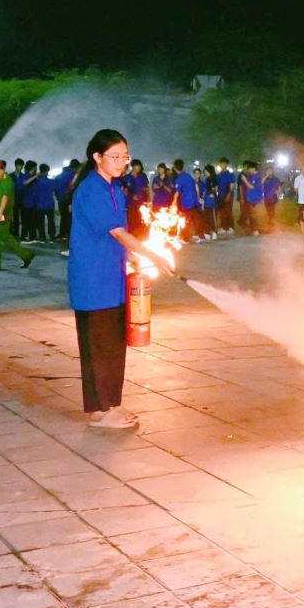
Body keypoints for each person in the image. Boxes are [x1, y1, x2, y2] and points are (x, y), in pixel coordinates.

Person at [65, 130, 175, 429]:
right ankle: (101, 410)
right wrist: (154, 256)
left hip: (111, 277)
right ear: (97, 157)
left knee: (112, 344)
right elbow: (118, 232)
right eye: (114, 156)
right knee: (99, 346)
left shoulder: (112, 187)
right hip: (93, 279)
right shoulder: (92, 189)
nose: (121, 162)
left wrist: (132, 259)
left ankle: (109, 404)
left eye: (124, 156)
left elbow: (115, 236)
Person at [0, 160, 35, 270]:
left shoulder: (7, 181)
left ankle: (26, 255)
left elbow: (5, 197)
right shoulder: (1, 180)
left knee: (4, 236)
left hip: (2, 211)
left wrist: (0, 212)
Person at [122, 159, 150, 236]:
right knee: (132, 221)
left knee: (143, 220)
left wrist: (148, 200)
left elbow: (147, 188)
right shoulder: (127, 177)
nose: (139, 168)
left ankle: (142, 237)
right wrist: (132, 196)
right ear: (133, 167)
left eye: (140, 167)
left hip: (142, 203)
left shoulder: (143, 176)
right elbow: (125, 191)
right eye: (137, 167)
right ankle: (132, 237)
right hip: (131, 204)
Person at [215, 158, 237, 234]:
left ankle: (231, 228)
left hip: (228, 196)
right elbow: (216, 186)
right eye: (221, 164)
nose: (222, 165)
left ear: (227, 164)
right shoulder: (218, 176)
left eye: (224, 163)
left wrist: (228, 195)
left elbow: (232, 186)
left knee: (228, 212)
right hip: (220, 196)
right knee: (222, 213)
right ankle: (224, 227)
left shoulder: (230, 175)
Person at [239, 161, 261, 236]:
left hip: (253, 199)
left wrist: (245, 180)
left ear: (253, 168)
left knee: (253, 215)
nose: (248, 170)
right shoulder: (251, 176)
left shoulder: (255, 177)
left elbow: (251, 187)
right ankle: (252, 229)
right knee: (249, 214)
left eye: (249, 169)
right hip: (250, 198)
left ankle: (255, 230)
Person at [262, 164, 282, 231]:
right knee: (268, 212)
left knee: (271, 212)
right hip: (266, 198)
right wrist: (266, 176)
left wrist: (278, 191)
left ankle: (271, 226)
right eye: (268, 171)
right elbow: (261, 183)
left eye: (270, 171)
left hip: (273, 198)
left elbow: (280, 186)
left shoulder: (276, 179)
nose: (269, 172)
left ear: (273, 171)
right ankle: (271, 225)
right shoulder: (265, 179)